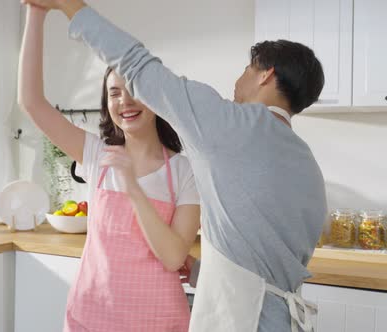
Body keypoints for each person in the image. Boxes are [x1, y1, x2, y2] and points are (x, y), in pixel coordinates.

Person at [22, 1, 328, 331]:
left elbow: (136, 63)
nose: (238, 81)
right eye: (114, 94)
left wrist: (68, 6)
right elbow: (267, 258)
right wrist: (200, 272)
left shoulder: (232, 125)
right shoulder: (306, 162)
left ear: (266, 75)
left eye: (247, 70)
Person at [18, 5, 201, 331]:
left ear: (155, 98)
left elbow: (173, 257)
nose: (125, 102)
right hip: (93, 313)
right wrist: (36, 12)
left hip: (158, 320)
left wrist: (132, 186)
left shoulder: (184, 171)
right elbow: (31, 101)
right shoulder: (95, 152)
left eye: (134, 91)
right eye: (114, 93)